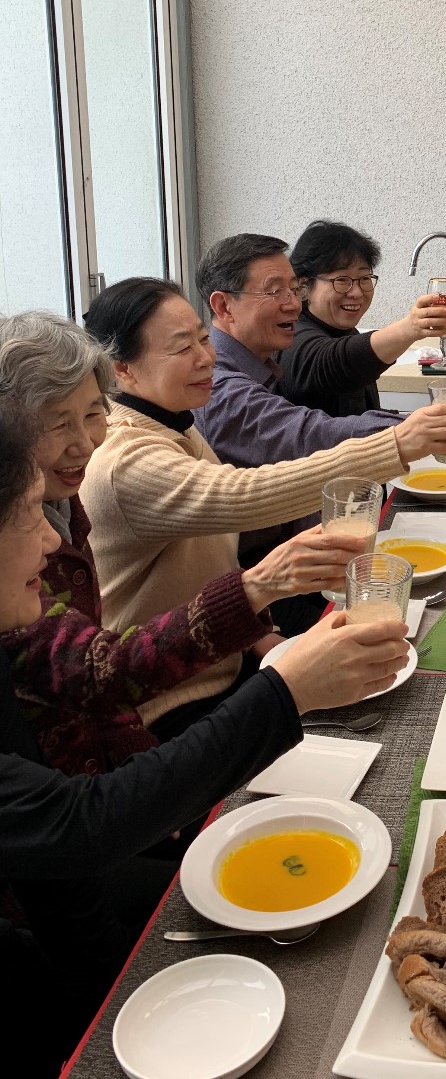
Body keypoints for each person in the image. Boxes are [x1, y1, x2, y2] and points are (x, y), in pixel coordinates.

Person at [0, 402, 408, 1079]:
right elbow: (76, 823)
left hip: (71, 884)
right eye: (24, 516)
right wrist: (285, 692)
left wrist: (259, 593)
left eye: (91, 411)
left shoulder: (24, 596)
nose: (50, 541)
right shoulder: (126, 466)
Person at [0, 310, 362, 777]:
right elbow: (98, 673)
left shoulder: (67, 497)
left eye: (92, 414)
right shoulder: (88, 484)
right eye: (56, 424)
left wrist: (258, 623)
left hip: (145, 719)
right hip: (151, 717)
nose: (84, 444)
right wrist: (258, 587)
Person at [80, 276, 446, 714]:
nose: (207, 358)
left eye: (203, 340)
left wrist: (256, 636)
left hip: (223, 658)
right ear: (122, 369)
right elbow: (241, 496)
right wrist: (397, 443)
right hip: (166, 703)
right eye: (183, 348)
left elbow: (202, 558)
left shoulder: (174, 421)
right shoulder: (125, 458)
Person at [191, 235, 446, 621]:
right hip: (267, 594)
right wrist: (425, 429)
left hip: (316, 558)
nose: (291, 303)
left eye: (292, 288)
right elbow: (308, 431)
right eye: (275, 290)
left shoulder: (262, 361)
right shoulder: (218, 386)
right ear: (222, 306)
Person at [280, 218, 446, 416]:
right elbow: (330, 363)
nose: (357, 292)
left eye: (364, 278)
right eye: (342, 280)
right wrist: (410, 328)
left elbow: (364, 415)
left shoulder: (345, 332)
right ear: (303, 286)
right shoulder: (290, 338)